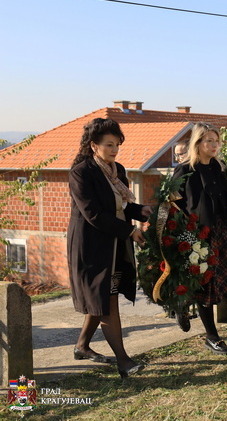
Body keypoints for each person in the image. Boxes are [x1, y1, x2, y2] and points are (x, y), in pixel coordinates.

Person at [67, 118, 152, 377]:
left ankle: (82, 347)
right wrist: (130, 231)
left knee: (102, 298)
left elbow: (122, 207)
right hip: (91, 249)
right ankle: (124, 361)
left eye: (117, 145)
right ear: (94, 145)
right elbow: (93, 214)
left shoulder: (118, 170)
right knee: (106, 301)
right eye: (109, 145)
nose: (115, 150)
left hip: (116, 247)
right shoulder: (81, 172)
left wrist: (144, 211)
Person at [173, 122, 227, 354]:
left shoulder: (219, 168)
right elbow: (174, 206)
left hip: (221, 233)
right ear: (198, 142)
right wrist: (186, 234)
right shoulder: (184, 171)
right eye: (209, 141)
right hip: (197, 236)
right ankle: (212, 336)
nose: (214, 145)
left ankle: (183, 302)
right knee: (205, 284)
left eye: (216, 141)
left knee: (218, 282)